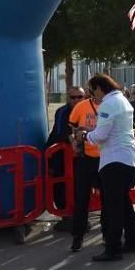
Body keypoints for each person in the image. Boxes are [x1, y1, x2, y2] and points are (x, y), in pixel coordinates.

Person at [78, 73, 135, 262]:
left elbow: (100, 136)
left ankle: (113, 248)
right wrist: (93, 132)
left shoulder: (107, 104)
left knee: (113, 207)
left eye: (92, 91)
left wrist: (84, 136)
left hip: (113, 160)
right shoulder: (122, 99)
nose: (92, 96)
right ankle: (133, 241)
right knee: (124, 203)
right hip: (128, 158)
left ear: (99, 88)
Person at [67, 87, 103, 251]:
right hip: (85, 159)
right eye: (97, 90)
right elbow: (71, 127)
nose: (100, 93)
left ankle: (108, 234)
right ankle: (77, 237)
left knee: (108, 199)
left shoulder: (111, 105)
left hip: (105, 159)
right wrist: (74, 141)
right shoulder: (81, 107)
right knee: (81, 199)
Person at [47, 88, 85, 229]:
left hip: (78, 154)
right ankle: (66, 216)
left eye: (79, 96)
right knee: (60, 184)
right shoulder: (62, 111)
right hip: (58, 155)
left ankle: (79, 216)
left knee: (79, 184)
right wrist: (76, 141)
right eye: (73, 97)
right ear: (68, 98)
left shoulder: (87, 108)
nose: (76, 99)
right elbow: (61, 132)